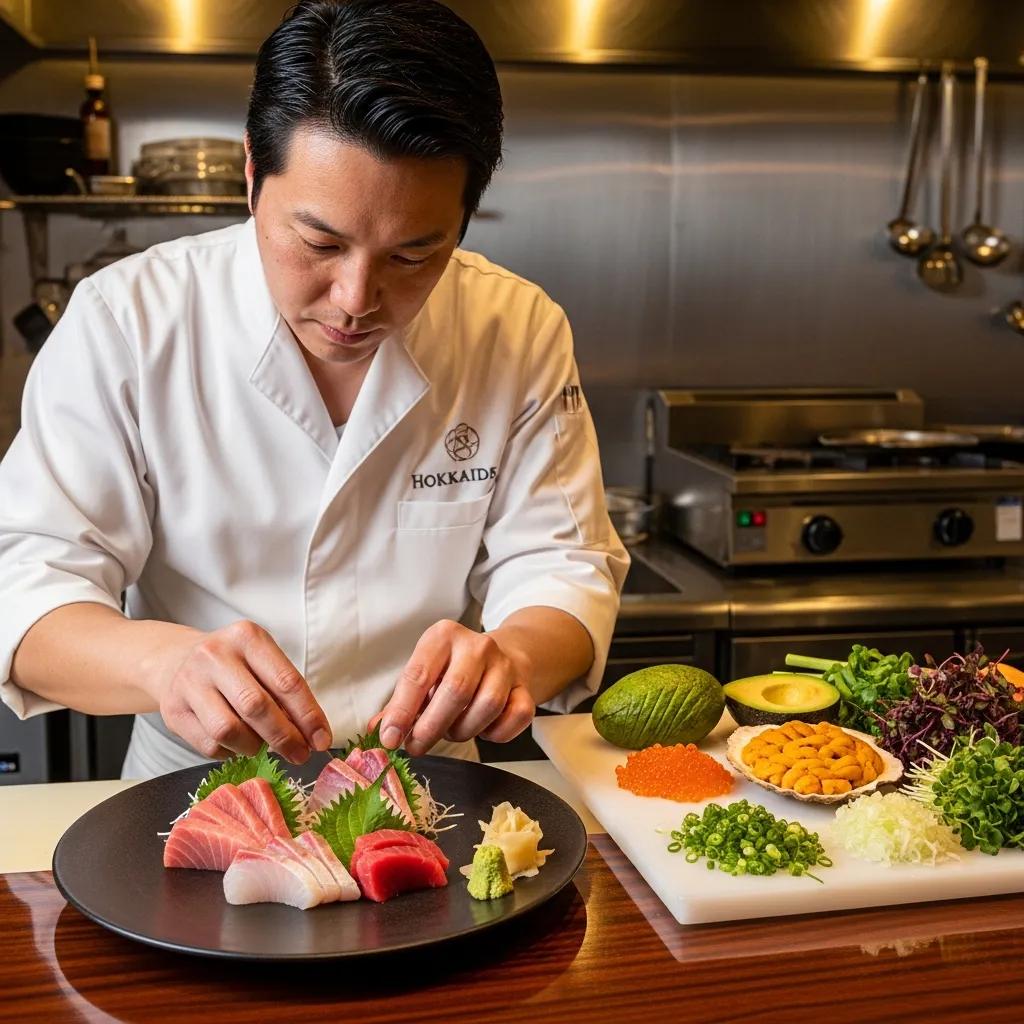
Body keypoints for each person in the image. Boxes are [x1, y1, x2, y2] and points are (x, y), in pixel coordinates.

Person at [0, 0, 628, 778]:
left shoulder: (515, 325)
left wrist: (515, 656)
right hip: (198, 787)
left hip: (433, 780)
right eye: (320, 242)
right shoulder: (128, 321)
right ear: (251, 172)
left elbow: (564, 563)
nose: (355, 298)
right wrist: (164, 666)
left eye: (414, 255)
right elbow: (26, 590)